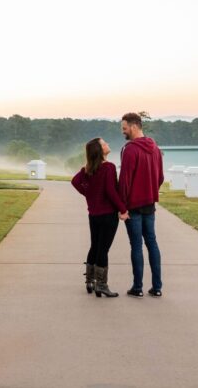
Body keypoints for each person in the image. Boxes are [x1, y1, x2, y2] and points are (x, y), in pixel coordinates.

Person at [71, 137, 127, 298]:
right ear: (99, 149)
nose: (108, 144)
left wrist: (88, 194)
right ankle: (101, 285)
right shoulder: (108, 167)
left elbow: (75, 182)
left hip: (94, 215)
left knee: (94, 246)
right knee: (103, 250)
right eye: (104, 143)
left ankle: (90, 281)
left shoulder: (87, 168)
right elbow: (111, 191)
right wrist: (123, 209)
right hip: (108, 215)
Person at [118, 112, 164, 298]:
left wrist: (122, 207)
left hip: (133, 207)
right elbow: (160, 177)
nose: (123, 132)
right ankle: (157, 287)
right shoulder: (155, 148)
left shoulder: (130, 149)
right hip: (149, 204)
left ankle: (137, 288)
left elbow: (125, 181)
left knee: (136, 245)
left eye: (124, 128)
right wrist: (151, 191)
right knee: (152, 243)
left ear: (134, 126)